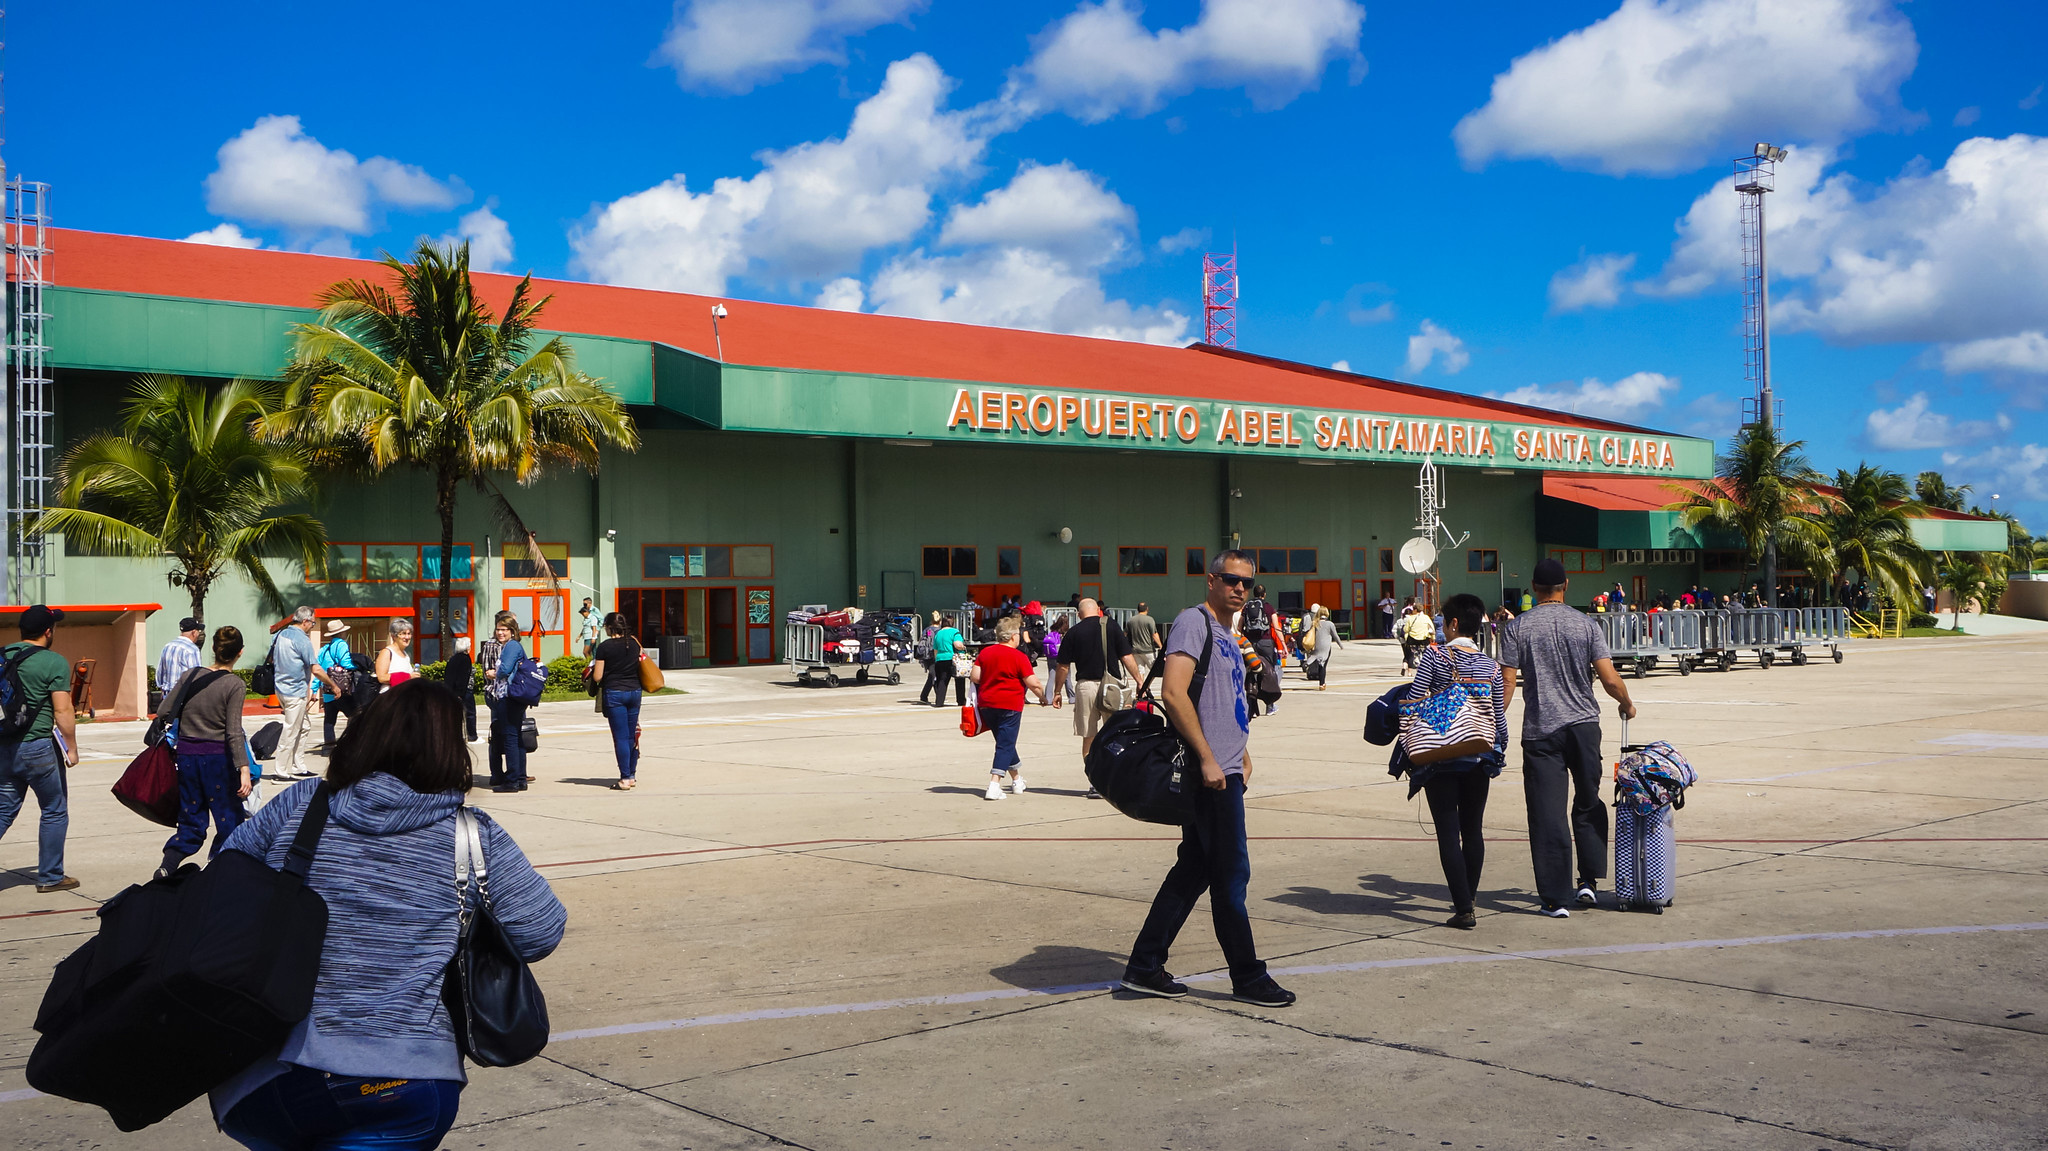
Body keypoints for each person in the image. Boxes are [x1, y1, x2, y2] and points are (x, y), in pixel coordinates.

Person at [208, 680, 567, 1151]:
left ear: (365, 735)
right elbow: (541, 931)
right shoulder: (473, 836)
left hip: (269, 1078)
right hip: (402, 1078)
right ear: (451, 751)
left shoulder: (302, 804)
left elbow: (221, 883)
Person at [1121, 550, 1294, 1008]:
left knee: (1195, 868)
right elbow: (1173, 693)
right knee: (1232, 873)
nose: (1239, 588)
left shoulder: (1228, 634)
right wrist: (1209, 759)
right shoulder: (1193, 623)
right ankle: (1247, 975)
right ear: (1211, 580)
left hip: (1225, 767)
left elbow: (1221, 703)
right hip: (1209, 776)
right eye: (1230, 579)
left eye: (1246, 582)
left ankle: (1144, 965)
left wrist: (1242, 752)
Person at [1498, 557, 1638, 917]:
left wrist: (1494, 721)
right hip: (1584, 726)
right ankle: (1589, 881)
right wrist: (1627, 702)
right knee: (1589, 801)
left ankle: (1555, 898)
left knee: (1548, 813)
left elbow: (1509, 682)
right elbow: (1608, 678)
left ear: (1533, 587)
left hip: (1541, 731)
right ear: (1566, 585)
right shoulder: (1586, 624)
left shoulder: (1517, 629)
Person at [1405, 594, 1509, 930]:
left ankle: (1463, 908)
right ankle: (1471, 896)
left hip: (1441, 758)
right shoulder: (1490, 666)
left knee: (1448, 832)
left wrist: (1408, 737)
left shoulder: (1435, 656)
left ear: (1452, 624)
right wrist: (1498, 750)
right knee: (1473, 829)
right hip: (1478, 756)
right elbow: (1498, 719)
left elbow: (1416, 700)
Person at [158, 625, 253, 876]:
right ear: (240, 653)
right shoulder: (234, 685)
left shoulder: (190, 676)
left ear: (213, 648)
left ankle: (167, 867)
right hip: (217, 759)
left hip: (187, 756)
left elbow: (164, 711)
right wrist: (244, 768)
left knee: (191, 819)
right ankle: (216, 868)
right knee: (228, 820)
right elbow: (233, 731)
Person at [0, 605, 79, 893]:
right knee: (54, 810)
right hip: (38, 748)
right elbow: (63, 710)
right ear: (48, 631)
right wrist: (71, 748)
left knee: (3, 810)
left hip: (5, 745)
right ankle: (50, 876)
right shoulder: (52, 661)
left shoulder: (3, 655)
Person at [1052, 598, 1141, 772]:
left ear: (1079, 614)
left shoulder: (1073, 632)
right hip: (1112, 687)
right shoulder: (1111, 626)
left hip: (1086, 687)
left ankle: (1094, 778)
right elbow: (1126, 657)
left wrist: (1057, 691)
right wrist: (1139, 680)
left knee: (1089, 735)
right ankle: (1113, 774)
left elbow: (1063, 667)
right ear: (1099, 611)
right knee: (1114, 732)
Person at [969, 616, 1046, 800]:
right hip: (1009, 704)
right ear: (1012, 636)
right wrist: (1042, 696)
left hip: (987, 704)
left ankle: (1017, 781)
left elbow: (975, 676)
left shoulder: (986, 653)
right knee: (1005, 744)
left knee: (1005, 742)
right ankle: (994, 784)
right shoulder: (1019, 656)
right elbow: (1033, 682)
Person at [271, 607, 338, 781]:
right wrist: (333, 685)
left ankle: (298, 766)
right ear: (305, 621)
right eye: (313, 623)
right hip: (294, 691)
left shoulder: (280, 635)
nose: (312, 626)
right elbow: (316, 668)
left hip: (281, 688)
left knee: (304, 726)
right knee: (291, 730)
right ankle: (280, 771)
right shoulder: (302, 640)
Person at [588, 613, 644, 790]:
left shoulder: (605, 647)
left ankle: (625, 778)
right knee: (631, 734)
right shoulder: (634, 643)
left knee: (620, 737)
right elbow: (641, 655)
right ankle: (632, 775)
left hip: (615, 693)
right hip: (634, 691)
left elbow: (597, 676)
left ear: (608, 627)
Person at [482, 613, 531, 792]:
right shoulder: (510, 646)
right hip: (513, 698)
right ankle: (520, 779)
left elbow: (505, 669)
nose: (500, 633)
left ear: (512, 631)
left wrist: (495, 673)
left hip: (508, 697)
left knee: (510, 739)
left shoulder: (511, 647)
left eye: (504, 630)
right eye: (498, 629)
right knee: (516, 738)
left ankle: (511, 781)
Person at [316, 620, 354, 753]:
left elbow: (318, 669)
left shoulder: (324, 649)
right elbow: (346, 662)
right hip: (341, 689)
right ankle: (351, 743)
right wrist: (355, 667)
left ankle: (328, 746)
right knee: (354, 715)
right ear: (342, 632)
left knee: (329, 720)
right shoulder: (342, 644)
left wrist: (314, 689)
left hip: (327, 691)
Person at [1240, 584, 1278, 714]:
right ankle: (1270, 705)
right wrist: (1283, 644)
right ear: (1264, 594)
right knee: (1268, 673)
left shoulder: (1247, 607)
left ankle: (1252, 706)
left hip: (1250, 643)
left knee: (1251, 671)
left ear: (1253, 594)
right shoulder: (1268, 607)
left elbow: (1240, 626)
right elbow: (1276, 627)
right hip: (1266, 642)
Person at [919, 613, 968, 708]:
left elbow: (935, 649)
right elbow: (957, 644)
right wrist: (963, 647)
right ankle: (961, 700)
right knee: (959, 680)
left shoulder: (938, 634)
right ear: (952, 623)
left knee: (942, 681)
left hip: (940, 659)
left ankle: (939, 701)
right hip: (952, 659)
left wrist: (937, 659)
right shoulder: (955, 632)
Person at [156, 616, 204, 707]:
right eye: (199, 631)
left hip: (167, 696)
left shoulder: (168, 646)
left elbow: (159, 674)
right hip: (183, 697)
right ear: (194, 632)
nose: (199, 634)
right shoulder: (192, 649)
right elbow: (195, 676)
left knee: (169, 721)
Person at [444, 636, 477, 744]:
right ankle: (472, 735)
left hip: (452, 691)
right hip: (464, 691)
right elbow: (463, 677)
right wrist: (460, 693)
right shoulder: (465, 659)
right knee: (470, 713)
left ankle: (455, 735)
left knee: (456, 714)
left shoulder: (453, 659)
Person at [1301, 605, 1341, 689]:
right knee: (1322, 665)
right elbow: (1335, 636)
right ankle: (1322, 684)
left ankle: (1307, 663)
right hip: (1326, 647)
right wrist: (1340, 645)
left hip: (1316, 646)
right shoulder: (1330, 624)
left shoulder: (1315, 623)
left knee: (1314, 657)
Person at [376, 617, 416, 690]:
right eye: (403, 634)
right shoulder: (387, 652)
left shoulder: (405, 654)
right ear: (394, 636)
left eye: (409, 633)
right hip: (390, 697)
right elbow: (381, 677)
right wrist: (408, 677)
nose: (407, 637)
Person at [1127, 602, 1160, 681]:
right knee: (1155, 671)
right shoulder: (1149, 619)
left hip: (1136, 651)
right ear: (1147, 609)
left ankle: (1141, 690)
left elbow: (1125, 633)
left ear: (1137, 609)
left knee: (1140, 671)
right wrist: (1161, 646)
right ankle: (1146, 686)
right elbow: (1154, 635)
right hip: (1148, 650)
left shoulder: (1131, 620)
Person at [1400, 605, 1434, 674]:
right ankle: (1425, 670)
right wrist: (1433, 638)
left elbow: (1405, 629)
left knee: (1414, 656)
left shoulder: (1411, 618)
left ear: (1415, 610)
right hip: (1424, 640)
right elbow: (1432, 629)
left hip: (1413, 640)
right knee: (1425, 656)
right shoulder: (1426, 618)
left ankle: (1417, 670)